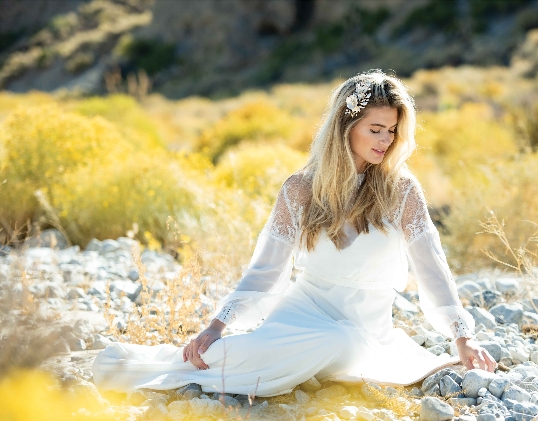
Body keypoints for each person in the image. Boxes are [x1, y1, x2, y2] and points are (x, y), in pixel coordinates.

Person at [92, 70, 496, 398]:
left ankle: (226, 366)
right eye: (375, 129)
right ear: (346, 125)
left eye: (391, 131)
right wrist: (218, 325)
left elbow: (433, 267)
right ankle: (171, 364)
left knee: (338, 343)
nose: (385, 141)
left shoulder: (402, 191)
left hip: (365, 331)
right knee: (287, 345)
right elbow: (266, 270)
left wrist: (462, 337)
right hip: (300, 313)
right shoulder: (299, 189)